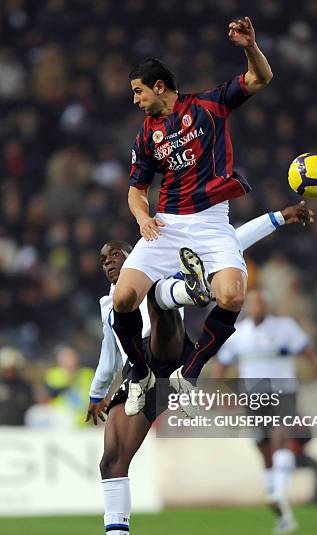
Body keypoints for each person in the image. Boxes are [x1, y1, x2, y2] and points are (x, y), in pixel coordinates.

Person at [87, 203, 313, 535]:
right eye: (103, 259)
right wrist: (94, 395)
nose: (108, 262)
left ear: (133, 252)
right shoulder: (110, 304)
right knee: (112, 460)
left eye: (115, 254)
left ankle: (193, 290)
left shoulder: (155, 254)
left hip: (167, 352)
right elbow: (109, 357)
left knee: (156, 297)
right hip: (137, 376)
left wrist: (280, 217)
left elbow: (234, 239)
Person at [111, 17, 274, 417]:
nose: (135, 100)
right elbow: (136, 191)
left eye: (138, 91)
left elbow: (260, 78)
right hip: (165, 224)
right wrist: (142, 219)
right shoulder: (146, 135)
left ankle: (193, 368)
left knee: (233, 295)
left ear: (159, 87)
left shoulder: (209, 105)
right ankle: (139, 372)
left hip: (211, 222)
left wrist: (249, 47)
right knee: (123, 297)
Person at [213, 288, 317, 535]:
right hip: (253, 397)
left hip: (283, 393)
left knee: (281, 438)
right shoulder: (240, 333)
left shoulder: (285, 328)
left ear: (267, 306)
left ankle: (278, 493)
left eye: (260, 303)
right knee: (263, 448)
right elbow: (222, 364)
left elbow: (311, 355)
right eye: (252, 304)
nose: (256, 307)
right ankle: (283, 512)